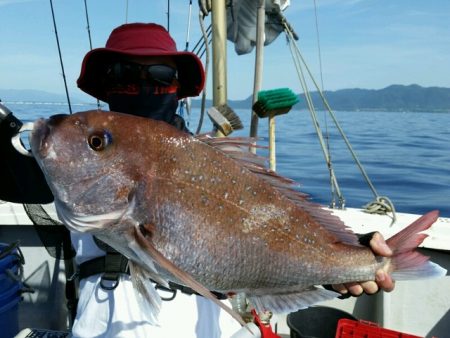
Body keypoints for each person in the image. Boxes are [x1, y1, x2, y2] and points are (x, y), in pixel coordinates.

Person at [1, 22, 394, 338]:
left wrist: (345, 260)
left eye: (159, 75)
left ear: (178, 88)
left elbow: (277, 241)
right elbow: (16, 177)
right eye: (122, 75)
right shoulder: (62, 173)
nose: (142, 87)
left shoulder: (222, 166)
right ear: (105, 87)